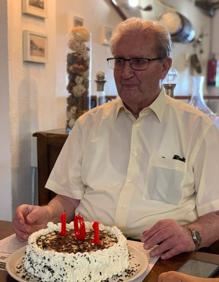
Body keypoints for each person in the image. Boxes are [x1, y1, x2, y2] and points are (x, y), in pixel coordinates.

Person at [13, 17, 219, 260]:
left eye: (139, 62)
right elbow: (68, 197)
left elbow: (216, 214)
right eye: (119, 61)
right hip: (86, 251)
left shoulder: (198, 128)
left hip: (160, 256)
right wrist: (46, 213)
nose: (125, 72)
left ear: (164, 67)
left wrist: (190, 234)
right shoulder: (88, 124)